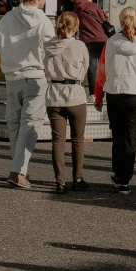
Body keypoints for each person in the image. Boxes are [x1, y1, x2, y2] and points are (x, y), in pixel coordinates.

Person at [0, 0, 54, 189]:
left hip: (12, 77)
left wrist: (9, 60)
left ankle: (18, 167)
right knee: (30, 125)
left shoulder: (7, 18)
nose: (45, 2)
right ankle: (18, 171)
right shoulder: (44, 21)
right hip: (35, 77)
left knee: (15, 124)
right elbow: (50, 50)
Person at [95, 7, 136, 195]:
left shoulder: (110, 43)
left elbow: (101, 72)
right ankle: (125, 180)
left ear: (120, 22)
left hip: (115, 93)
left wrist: (98, 97)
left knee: (118, 137)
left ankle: (117, 173)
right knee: (131, 139)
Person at [44, 12, 90, 194]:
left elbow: (45, 68)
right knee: (77, 140)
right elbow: (85, 69)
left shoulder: (48, 46)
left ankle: (60, 182)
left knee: (58, 141)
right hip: (75, 95)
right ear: (75, 27)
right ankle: (77, 179)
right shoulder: (79, 46)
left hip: (54, 94)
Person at [72, 0, 107, 101]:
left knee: (92, 66)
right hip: (101, 38)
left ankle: (92, 94)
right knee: (103, 66)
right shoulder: (93, 6)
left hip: (87, 40)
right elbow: (104, 19)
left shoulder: (76, 9)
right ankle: (103, 92)